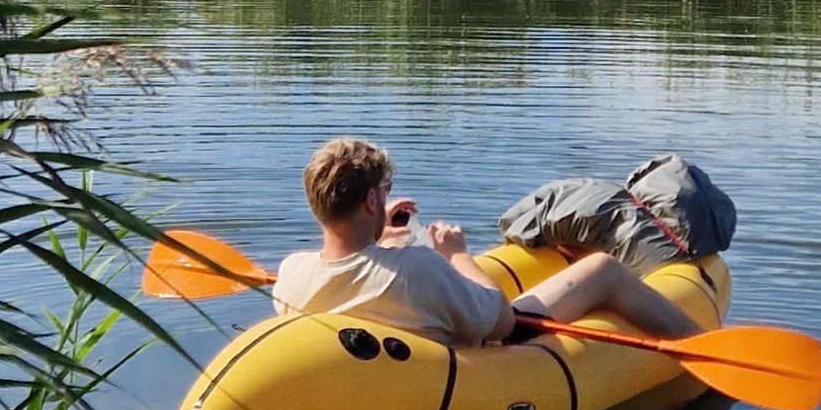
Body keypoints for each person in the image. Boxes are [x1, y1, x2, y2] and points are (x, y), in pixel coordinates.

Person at [273, 137, 703, 348]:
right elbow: (501, 322)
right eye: (383, 192)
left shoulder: (290, 275)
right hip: (482, 354)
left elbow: (354, 269)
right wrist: (457, 255)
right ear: (370, 200)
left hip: (387, 353)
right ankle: (697, 344)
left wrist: (380, 231)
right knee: (602, 270)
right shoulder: (416, 269)